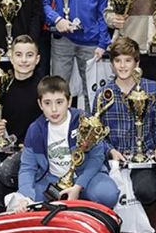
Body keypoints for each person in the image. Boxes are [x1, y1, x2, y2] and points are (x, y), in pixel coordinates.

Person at [13, 76, 120, 211]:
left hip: (85, 177)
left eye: (59, 102)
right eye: (47, 103)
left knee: (107, 194)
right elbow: (28, 168)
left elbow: (97, 157)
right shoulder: (35, 130)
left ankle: (81, 199)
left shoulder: (84, 121)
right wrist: (25, 196)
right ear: (40, 104)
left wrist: (79, 186)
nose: (54, 109)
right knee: (26, 204)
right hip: (52, 180)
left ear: (69, 101)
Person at [96, 37, 156, 205]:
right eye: (118, 60)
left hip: (143, 155)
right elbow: (97, 131)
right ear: (112, 64)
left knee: (147, 193)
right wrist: (110, 151)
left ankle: (153, 174)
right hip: (115, 156)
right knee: (101, 196)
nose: (123, 65)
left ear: (137, 63)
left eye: (128, 60)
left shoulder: (152, 88)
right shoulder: (104, 93)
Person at [0, 35, 44, 215]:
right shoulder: (0, 84)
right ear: (10, 56)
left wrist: (31, 145)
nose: (24, 60)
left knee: (6, 172)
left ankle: (22, 190)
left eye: (29, 55)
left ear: (37, 59)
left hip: (34, 156)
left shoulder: (44, 87)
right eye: (19, 55)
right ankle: (13, 193)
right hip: (6, 154)